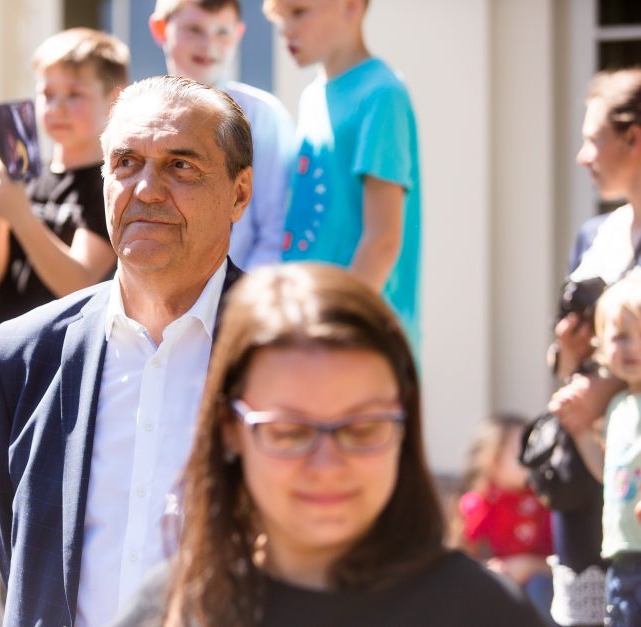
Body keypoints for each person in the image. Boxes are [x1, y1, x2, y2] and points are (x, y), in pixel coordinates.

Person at [111, 264, 545, 627]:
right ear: (229, 428)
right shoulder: (169, 609)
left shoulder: (484, 612)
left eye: (363, 429)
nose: (327, 464)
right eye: (289, 432)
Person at [0, 75, 253, 627]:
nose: (147, 189)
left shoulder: (284, 350)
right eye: (126, 163)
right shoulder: (24, 353)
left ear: (239, 193)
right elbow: (17, 565)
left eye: (181, 165)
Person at [0, 26, 128, 602]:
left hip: (67, 382)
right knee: (3, 541)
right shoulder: (28, 178)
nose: (56, 108)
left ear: (114, 97)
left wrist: (20, 213)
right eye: (47, 93)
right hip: (2, 382)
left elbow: (80, 280)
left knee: (55, 543)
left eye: (74, 93)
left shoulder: (109, 180)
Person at [263, 0, 422, 350]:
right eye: (279, 17)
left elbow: (382, 240)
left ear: (351, 6)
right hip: (307, 325)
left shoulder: (381, 93)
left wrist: (332, 331)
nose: (285, 28)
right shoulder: (312, 97)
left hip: (355, 337)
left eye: (299, 12)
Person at [547, 68, 641, 627]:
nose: (583, 156)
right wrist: (566, 355)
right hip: (583, 468)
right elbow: (562, 353)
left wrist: (602, 387)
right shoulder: (593, 236)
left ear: (633, 137)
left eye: (592, 138)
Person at [149, 0, 294, 269]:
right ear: (160, 28)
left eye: (222, 32)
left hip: (236, 297)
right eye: (194, 29)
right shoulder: (141, 117)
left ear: (238, 34)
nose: (208, 44)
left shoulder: (262, 116)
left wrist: (242, 299)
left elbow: (275, 227)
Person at [559, 274, 641, 627]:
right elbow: (609, 473)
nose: (633, 347)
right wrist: (580, 432)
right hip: (623, 557)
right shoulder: (617, 407)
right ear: (600, 345)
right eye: (621, 336)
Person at [456, 413, 554, 623]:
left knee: (539, 587)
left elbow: (561, 564)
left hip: (538, 592)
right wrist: (490, 571)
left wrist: (528, 566)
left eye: (532, 447)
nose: (531, 457)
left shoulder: (545, 502)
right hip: (494, 592)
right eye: (521, 450)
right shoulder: (478, 505)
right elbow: (461, 561)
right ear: (492, 460)